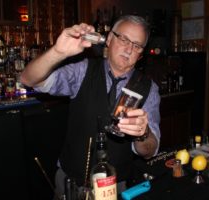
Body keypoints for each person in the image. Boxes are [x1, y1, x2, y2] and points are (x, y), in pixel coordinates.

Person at [20, 15, 161, 197]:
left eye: (137, 45)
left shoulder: (149, 88)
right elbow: (29, 79)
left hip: (116, 188)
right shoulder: (83, 70)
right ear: (109, 39)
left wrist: (143, 134)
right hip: (72, 184)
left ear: (141, 54)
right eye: (124, 39)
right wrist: (58, 52)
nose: (129, 48)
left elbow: (150, 150)